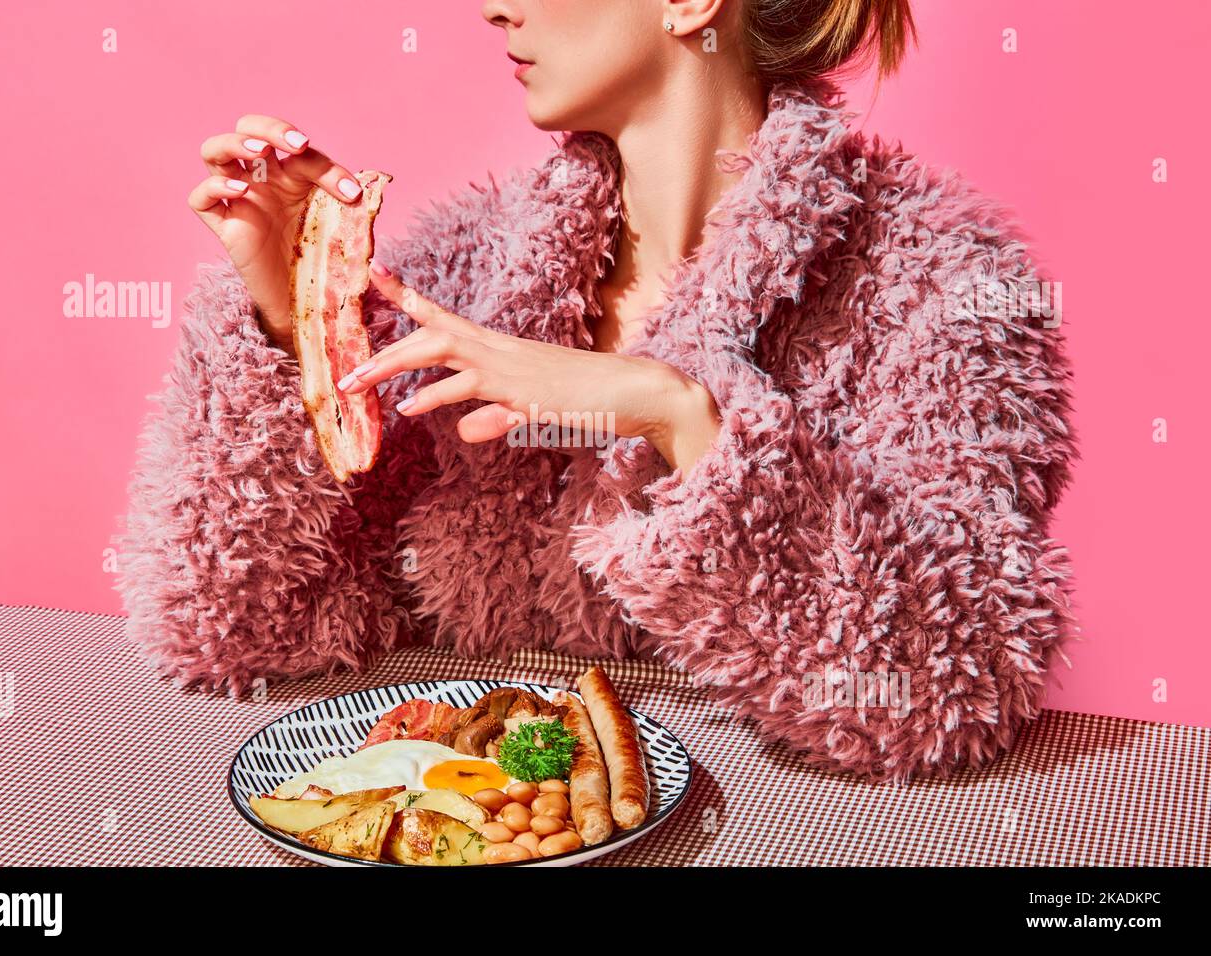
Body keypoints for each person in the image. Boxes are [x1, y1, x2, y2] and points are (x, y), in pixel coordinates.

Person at [118, 0, 1076, 782]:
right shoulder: (463, 278)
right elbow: (231, 628)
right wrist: (296, 323)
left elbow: (960, 686)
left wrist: (685, 415)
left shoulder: (940, 282)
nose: (494, 8)